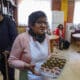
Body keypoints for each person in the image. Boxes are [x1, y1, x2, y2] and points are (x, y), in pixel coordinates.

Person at [8, 11, 50, 80]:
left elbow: (48, 55)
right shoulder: (21, 38)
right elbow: (11, 61)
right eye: (39, 22)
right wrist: (26, 66)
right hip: (28, 76)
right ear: (31, 25)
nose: (43, 25)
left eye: (45, 23)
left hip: (45, 76)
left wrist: (51, 62)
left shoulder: (46, 37)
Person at [0, 10, 18, 80]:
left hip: (7, 54)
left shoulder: (9, 22)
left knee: (9, 75)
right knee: (4, 74)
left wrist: (9, 49)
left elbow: (15, 38)